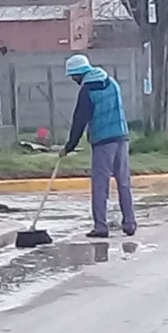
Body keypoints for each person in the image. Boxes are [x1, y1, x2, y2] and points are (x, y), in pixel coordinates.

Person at [60, 54, 137, 238]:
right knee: (123, 182)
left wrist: (69, 146)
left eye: (73, 77)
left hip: (103, 141)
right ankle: (130, 223)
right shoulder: (112, 83)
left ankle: (101, 226)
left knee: (100, 184)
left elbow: (79, 120)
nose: (73, 80)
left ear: (79, 74)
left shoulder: (87, 91)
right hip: (121, 137)